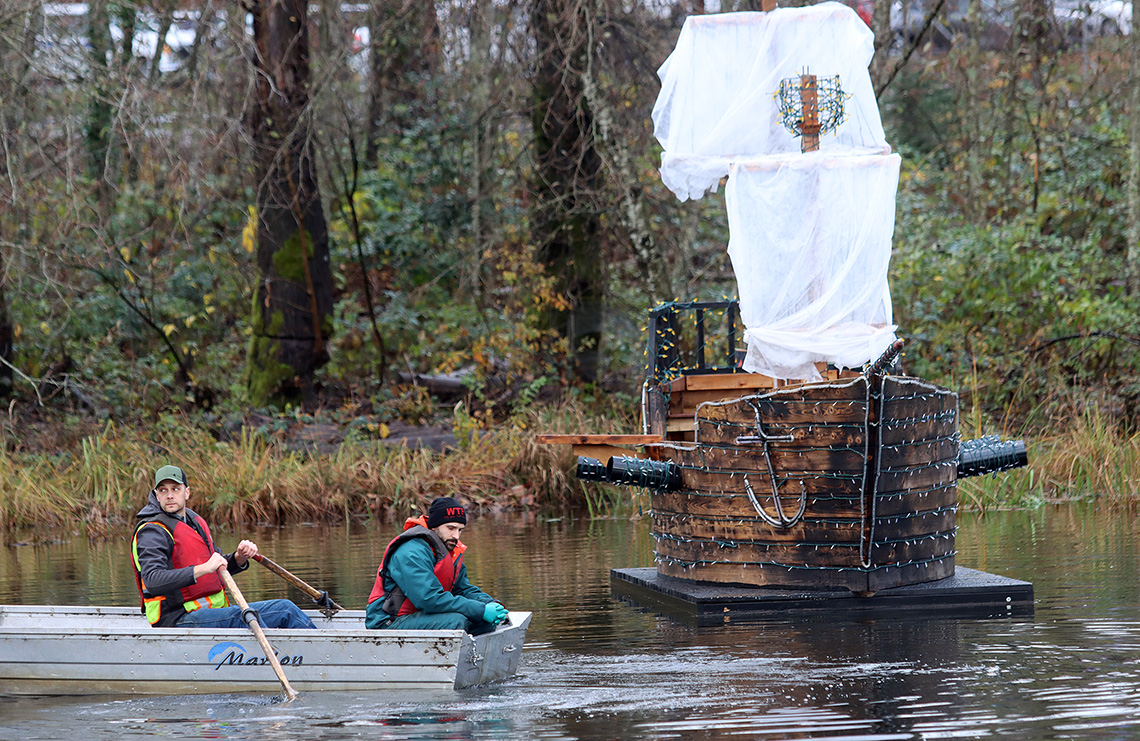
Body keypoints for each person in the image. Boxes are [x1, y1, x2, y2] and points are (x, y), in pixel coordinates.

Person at [131, 464, 316, 630]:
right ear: (156, 495)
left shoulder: (193, 522)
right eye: (163, 490)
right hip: (177, 618)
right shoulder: (152, 531)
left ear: (186, 492)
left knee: (286, 609)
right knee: (244, 618)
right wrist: (203, 569)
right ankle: (276, 659)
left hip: (211, 613)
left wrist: (238, 558)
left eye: (175, 489)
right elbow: (153, 580)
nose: (169, 495)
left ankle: (316, 658)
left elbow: (215, 564)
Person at [366, 496, 509, 634]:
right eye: (451, 528)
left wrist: (490, 603)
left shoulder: (449, 550)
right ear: (435, 526)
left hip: (420, 616)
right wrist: (480, 610)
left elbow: (463, 590)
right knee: (456, 621)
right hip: (388, 622)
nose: (456, 536)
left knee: (484, 622)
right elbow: (428, 599)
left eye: (460, 530)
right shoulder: (411, 552)